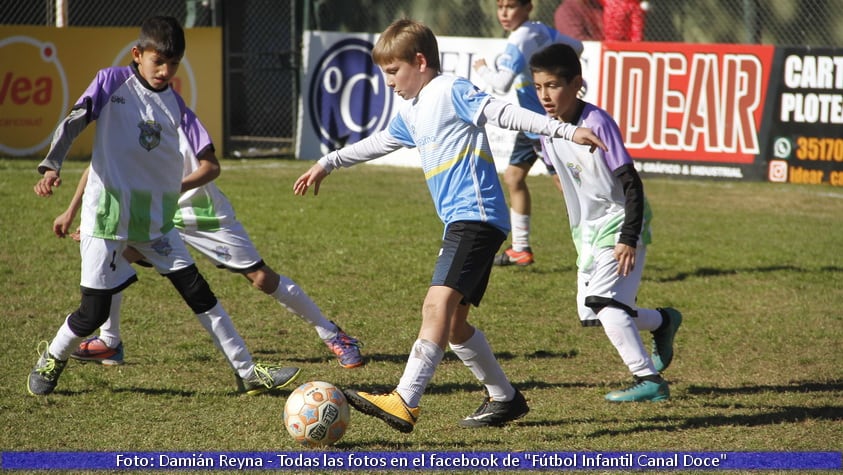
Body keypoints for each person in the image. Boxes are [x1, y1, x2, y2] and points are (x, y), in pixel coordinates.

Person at [293, 19, 607, 431]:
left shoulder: (450, 90)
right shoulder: (415, 108)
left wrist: (565, 129)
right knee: (455, 325)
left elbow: (504, 112)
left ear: (420, 61)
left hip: (474, 217)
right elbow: (381, 141)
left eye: (393, 72)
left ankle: (405, 399)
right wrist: (329, 161)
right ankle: (504, 398)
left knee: (435, 306)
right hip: (467, 221)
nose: (389, 82)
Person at [28, 16, 301, 396]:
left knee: (200, 293)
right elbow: (75, 119)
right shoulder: (111, 82)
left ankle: (247, 371)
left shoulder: (175, 103)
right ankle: (53, 358)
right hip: (106, 217)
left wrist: (198, 155)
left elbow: (207, 154)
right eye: (158, 62)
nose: (165, 71)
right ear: (137, 55)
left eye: (173, 64)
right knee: (94, 312)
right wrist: (52, 163)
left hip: (155, 221)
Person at [54, 163, 364, 370]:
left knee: (261, 278)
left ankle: (333, 334)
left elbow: (210, 167)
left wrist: (173, 187)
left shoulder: (183, 121)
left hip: (203, 214)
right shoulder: (124, 118)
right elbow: (99, 166)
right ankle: (110, 341)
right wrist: (77, 213)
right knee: (115, 262)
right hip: (155, 215)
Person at [529, 43, 682, 402]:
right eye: (538, 87)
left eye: (552, 85)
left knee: (603, 302)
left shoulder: (597, 122)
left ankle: (650, 380)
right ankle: (663, 321)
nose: (545, 96)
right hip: (590, 229)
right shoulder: (546, 130)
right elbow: (561, 175)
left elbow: (631, 182)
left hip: (622, 220)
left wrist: (628, 237)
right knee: (592, 312)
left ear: (576, 83)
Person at [473, 0, 583, 267]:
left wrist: (482, 68)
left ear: (527, 7)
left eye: (511, 6)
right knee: (513, 177)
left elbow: (501, 83)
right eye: (500, 7)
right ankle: (520, 249)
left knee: (566, 185)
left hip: (541, 126)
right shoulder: (540, 30)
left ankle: (594, 238)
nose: (504, 13)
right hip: (530, 122)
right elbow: (577, 47)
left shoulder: (520, 39)